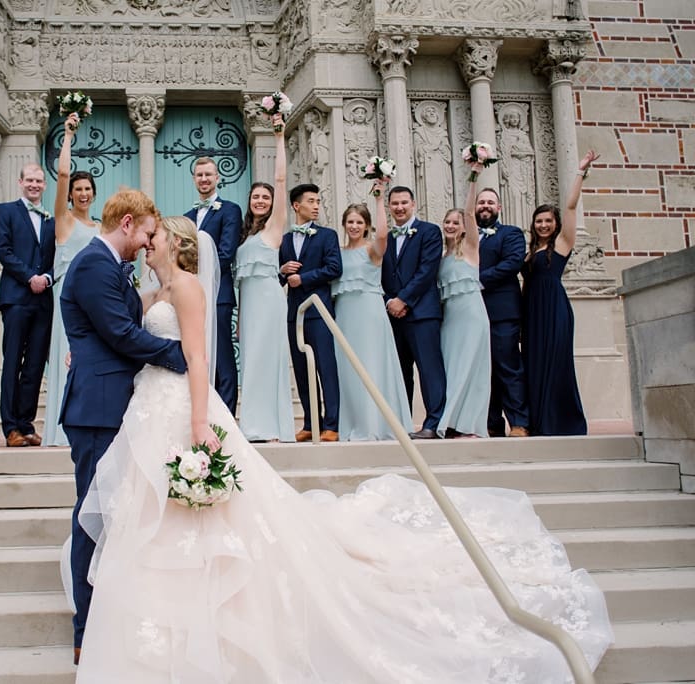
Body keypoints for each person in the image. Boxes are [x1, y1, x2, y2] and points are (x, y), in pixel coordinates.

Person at [71, 215, 613, 681]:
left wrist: (197, 420)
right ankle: (164, 612)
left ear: (175, 243)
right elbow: (117, 329)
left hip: (183, 408)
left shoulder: (187, 287)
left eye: (155, 237)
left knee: (214, 513)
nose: (148, 243)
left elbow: (196, 358)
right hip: (146, 409)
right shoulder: (151, 291)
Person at [59, 190, 187, 663]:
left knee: (120, 512)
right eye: (149, 233)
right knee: (93, 514)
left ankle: (117, 613)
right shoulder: (95, 264)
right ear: (128, 223)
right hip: (97, 408)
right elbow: (119, 333)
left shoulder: (111, 266)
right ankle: (85, 628)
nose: (149, 243)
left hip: (120, 402)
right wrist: (184, 358)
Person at [522, 150, 599, 436]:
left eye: (548, 221)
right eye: (539, 221)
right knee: (534, 364)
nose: (543, 225)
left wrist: (580, 172)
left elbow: (569, 207)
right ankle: (541, 422)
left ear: (555, 225)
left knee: (556, 363)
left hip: (554, 309)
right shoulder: (531, 251)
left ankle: (563, 422)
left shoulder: (563, 244)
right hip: (532, 312)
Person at [332, 180, 413, 440]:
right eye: (350, 222)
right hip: (344, 314)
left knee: (371, 365)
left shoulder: (372, 251)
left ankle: (376, 425)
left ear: (366, 225)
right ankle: (355, 423)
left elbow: (382, 236)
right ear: (344, 225)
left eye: (359, 222)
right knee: (349, 369)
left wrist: (380, 198)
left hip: (368, 312)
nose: (354, 226)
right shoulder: (338, 252)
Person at [233, 114, 294, 442]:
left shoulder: (274, 228)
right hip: (250, 305)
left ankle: (271, 428)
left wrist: (279, 135)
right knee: (251, 364)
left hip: (270, 301)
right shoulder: (244, 236)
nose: (260, 200)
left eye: (265, 197)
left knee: (268, 362)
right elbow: (243, 282)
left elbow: (281, 181)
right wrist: (240, 317)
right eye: (256, 196)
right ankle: (253, 425)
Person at [44, 112, 100, 447]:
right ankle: (63, 427)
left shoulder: (98, 227)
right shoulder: (63, 222)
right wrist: (67, 135)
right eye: (77, 189)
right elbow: (62, 172)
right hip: (68, 297)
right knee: (68, 353)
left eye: (87, 189)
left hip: (94, 299)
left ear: (94, 193)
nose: (81, 193)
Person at [0, 163, 56, 448]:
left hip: (43, 298)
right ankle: (11, 428)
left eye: (39, 181)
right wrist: (29, 276)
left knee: (34, 365)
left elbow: (58, 255)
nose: (34, 185)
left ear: (44, 185)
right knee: (13, 361)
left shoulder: (52, 219)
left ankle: (27, 423)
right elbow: (3, 250)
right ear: (20, 182)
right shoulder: (5, 211)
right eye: (29, 180)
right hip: (17, 296)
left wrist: (48, 278)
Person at [381, 185, 446, 439]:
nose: (399, 207)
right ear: (389, 206)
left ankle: (433, 423)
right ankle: (402, 423)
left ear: (413, 203)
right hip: (392, 314)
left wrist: (404, 299)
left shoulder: (429, 232)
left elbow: (427, 270)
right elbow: (379, 273)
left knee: (429, 369)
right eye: (394, 203)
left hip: (422, 313)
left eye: (403, 203)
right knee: (400, 372)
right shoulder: (384, 236)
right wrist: (389, 301)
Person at [278, 183, 342, 442]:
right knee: (303, 371)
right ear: (296, 206)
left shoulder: (327, 235)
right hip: (294, 315)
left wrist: (303, 279)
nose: (316, 206)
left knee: (326, 368)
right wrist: (282, 271)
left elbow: (334, 268)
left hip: (319, 312)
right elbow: (279, 279)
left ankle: (332, 425)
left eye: (318, 201)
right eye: (311, 201)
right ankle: (309, 422)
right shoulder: (282, 240)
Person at [435, 166, 491, 438]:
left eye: (455, 222)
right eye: (447, 221)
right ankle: (452, 421)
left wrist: (472, 178)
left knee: (470, 367)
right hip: (450, 318)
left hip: (471, 314)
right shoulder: (442, 256)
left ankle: (468, 424)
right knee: (452, 369)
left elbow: (470, 214)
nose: (451, 226)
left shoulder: (470, 248)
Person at [184, 157, 242, 414]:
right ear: (194, 179)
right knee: (197, 353)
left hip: (219, 293)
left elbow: (226, 251)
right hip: (191, 297)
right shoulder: (187, 217)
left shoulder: (230, 210)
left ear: (218, 178)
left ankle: (226, 414)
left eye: (208, 174)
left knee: (222, 356)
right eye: (199, 175)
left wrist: (196, 271)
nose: (204, 179)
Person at [476, 185, 529, 437]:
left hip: (502, 312)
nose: (485, 206)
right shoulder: (468, 236)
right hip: (472, 314)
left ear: (499, 208)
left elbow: (512, 263)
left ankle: (519, 421)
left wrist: (475, 279)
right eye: (481, 202)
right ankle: (491, 423)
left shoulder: (511, 234)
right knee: (483, 370)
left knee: (508, 366)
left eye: (490, 202)